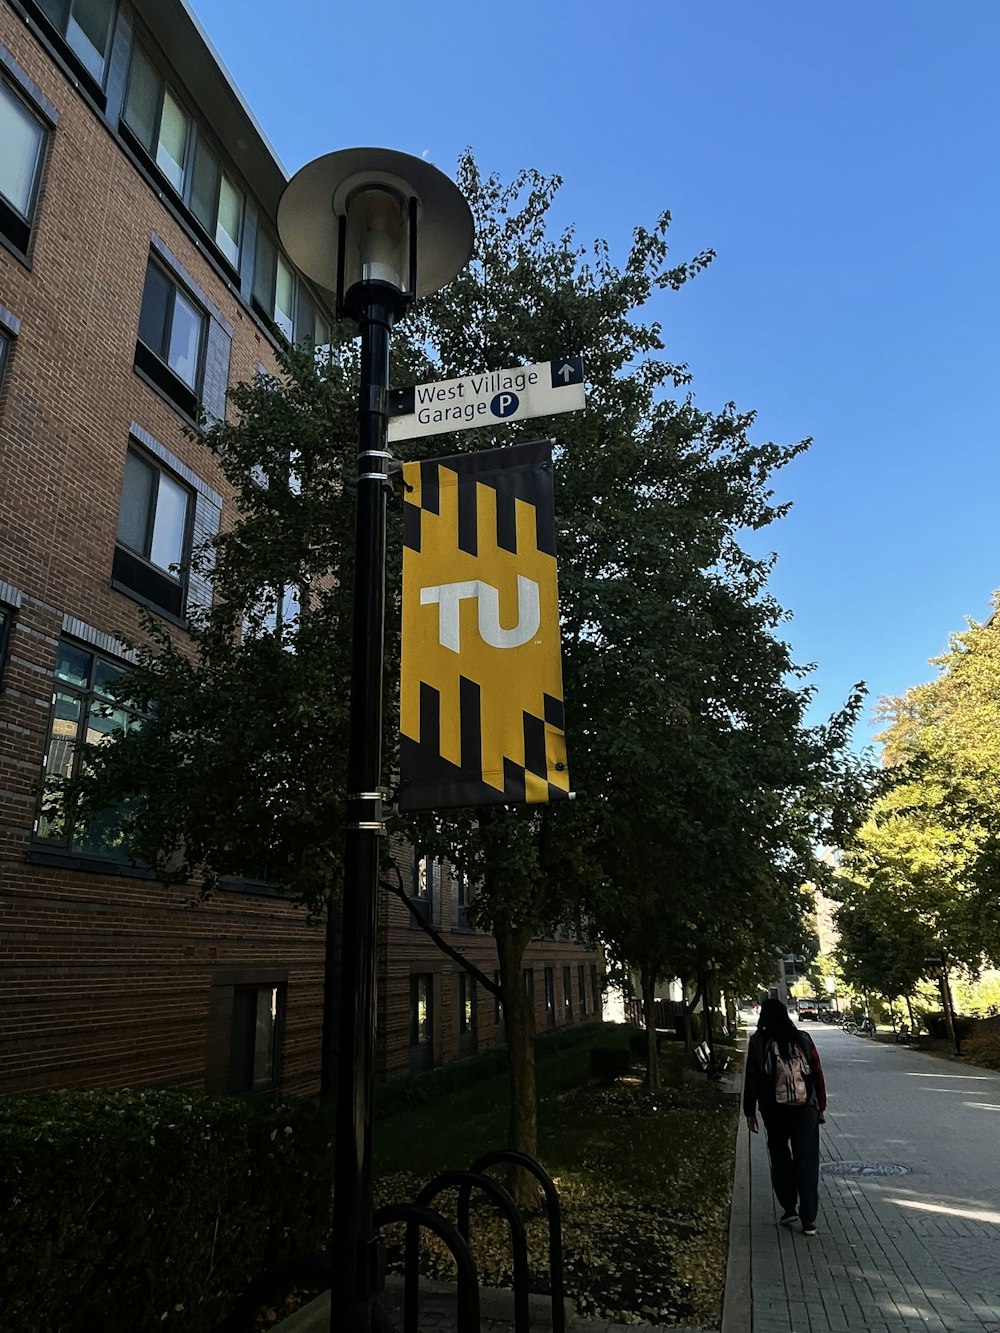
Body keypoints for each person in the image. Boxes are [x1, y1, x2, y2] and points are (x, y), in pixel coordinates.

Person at [743, 996, 827, 1235]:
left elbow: (752, 1079)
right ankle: (809, 1218)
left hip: (774, 1110)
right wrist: (819, 1105)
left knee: (780, 1157)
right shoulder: (803, 1038)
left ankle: (789, 1208)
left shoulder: (758, 1041)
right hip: (805, 1109)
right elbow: (817, 1073)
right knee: (807, 1161)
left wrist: (750, 1112)